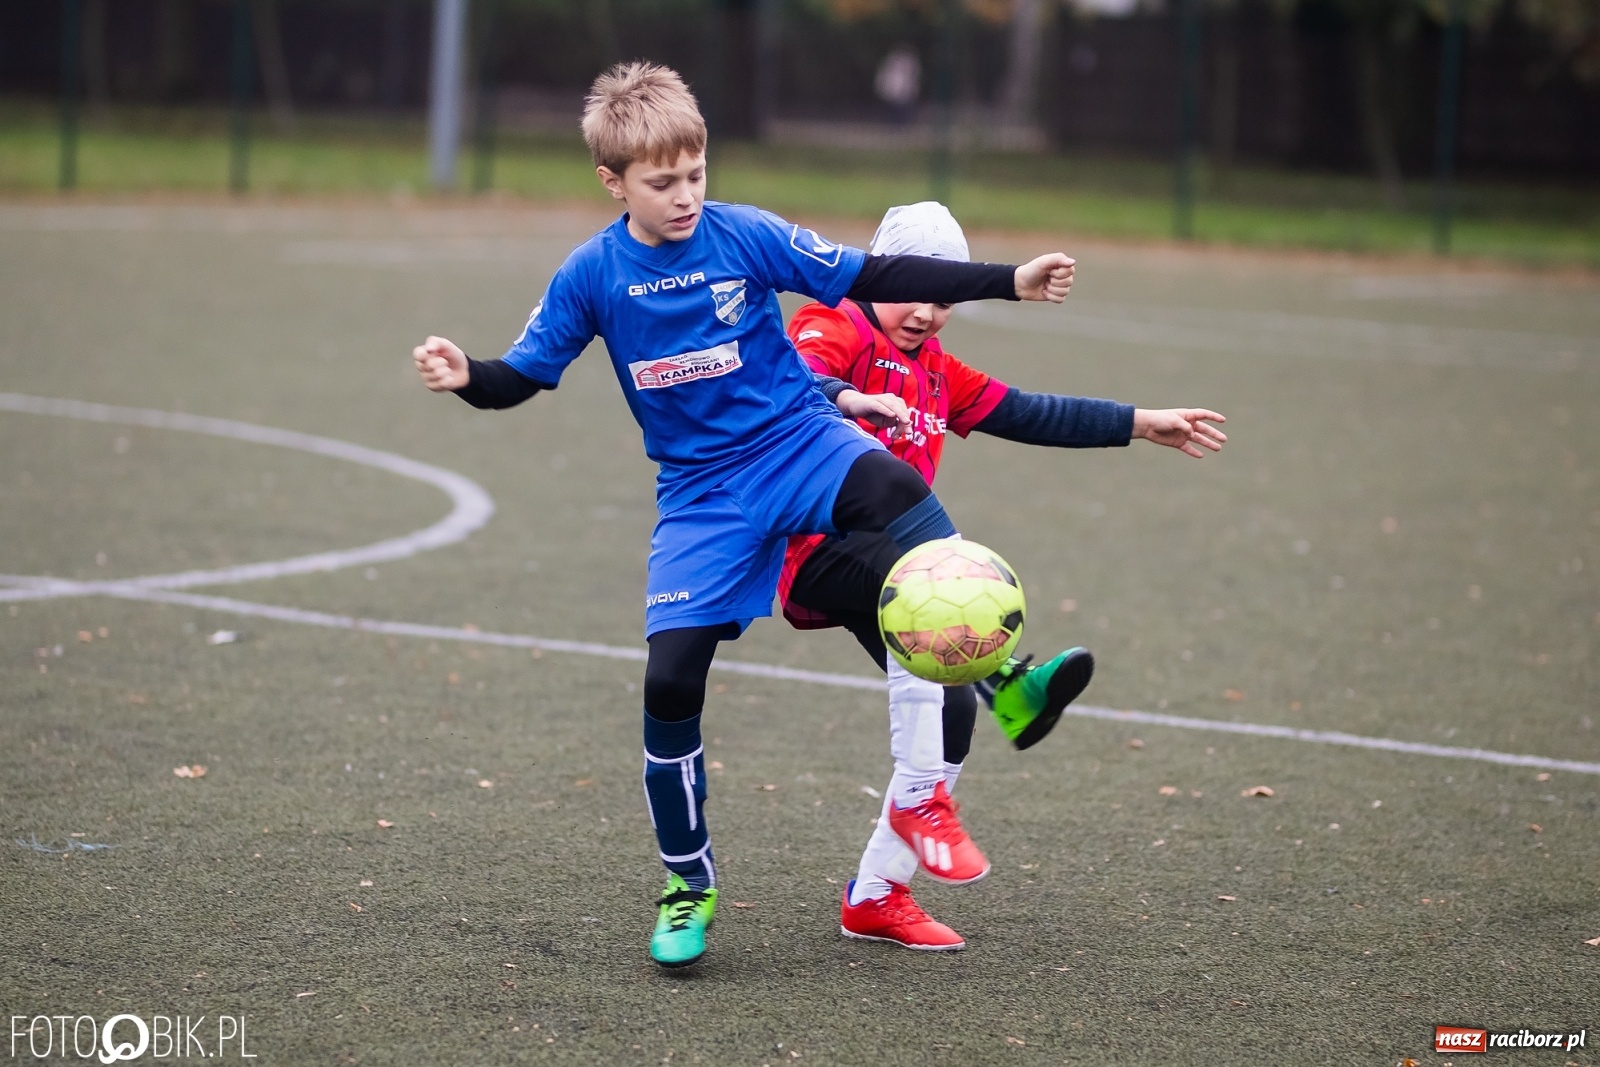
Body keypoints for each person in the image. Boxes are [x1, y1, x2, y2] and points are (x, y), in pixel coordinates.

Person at [413, 62, 1082, 969]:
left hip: (797, 441)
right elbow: (525, 375)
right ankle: (687, 884)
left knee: (890, 486)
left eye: (695, 174)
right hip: (701, 494)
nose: (686, 196)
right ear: (614, 184)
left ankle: (1004, 675)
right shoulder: (592, 275)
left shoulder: (745, 234)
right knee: (670, 680)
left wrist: (1009, 279)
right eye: (662, 183)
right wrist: (469, 377)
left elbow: (874, 270)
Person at [778, 201, 1228, 951]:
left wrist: (1142, 422)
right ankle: (1008, 682)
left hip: (895, 564)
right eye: (913, 291)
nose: (926, 312)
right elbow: (793, 376)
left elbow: (1027, 411)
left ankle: (876, 896)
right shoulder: (838, 321)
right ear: (880, 272)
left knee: (949, 713)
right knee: (932, 582)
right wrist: (848, 398)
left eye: (945, 299)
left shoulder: (935, 371)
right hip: (819, 551)